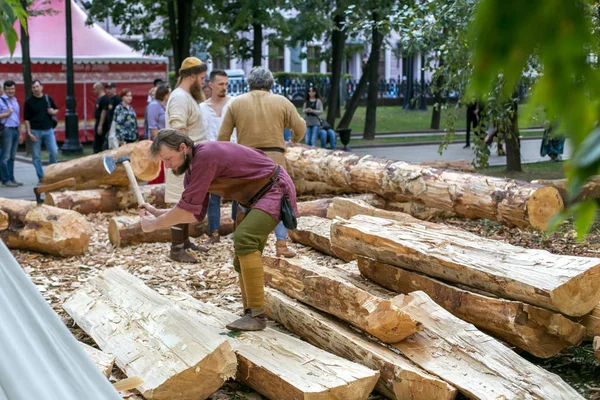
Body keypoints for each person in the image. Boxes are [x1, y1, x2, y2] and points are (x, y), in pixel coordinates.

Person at [140, 129, 298, 331]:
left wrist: (154, 224)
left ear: (183, 147)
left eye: (169, 159)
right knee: (242, 253)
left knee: (245, 237)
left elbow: (187, 210)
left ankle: (256, 316)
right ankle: (250, 312)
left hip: (274, 189)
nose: (168, 166)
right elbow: (193, 213)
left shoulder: (205, 156)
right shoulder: (193, 170)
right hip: (258, 197)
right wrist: (156, 212)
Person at [218, 66, 306, 258]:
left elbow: (223, 138)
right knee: (280, 201)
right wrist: (295, 140)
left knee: (244, 202)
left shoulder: (236, 103)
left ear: (249, 83)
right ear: (271, 83)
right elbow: (300, 126)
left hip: (246, 161)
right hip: (275, 161)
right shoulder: (282, 102)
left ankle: (244, 245)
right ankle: (281, 244)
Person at [164, 56, 208, 263]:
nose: (203, 82)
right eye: (201, 77)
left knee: (186, 202)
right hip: (182, 161)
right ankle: (176, 249)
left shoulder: (186, 96)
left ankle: (185, 241)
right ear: (192, 76)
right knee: (179, 203)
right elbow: (178, 129)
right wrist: (185, 158)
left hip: (189, 160)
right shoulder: (180, 98)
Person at [200, 69, 237, 245]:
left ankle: (238, 229)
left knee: (238, 194)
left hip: (234, 155)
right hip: (211, 157)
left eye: (226, 84)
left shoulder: (234, 104)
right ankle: (214, 232)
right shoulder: (202, 108)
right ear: (211, 85)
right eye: (221, 84)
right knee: (213, 196)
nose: (224, 87)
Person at [24, 80, 59, 182]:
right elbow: (26, 119)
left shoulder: (47, 98)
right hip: (35, 131)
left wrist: (53, 111)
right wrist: (29, 133)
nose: (36, 89)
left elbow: (56, 110)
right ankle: (41, 177)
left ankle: (51, 174)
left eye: (37, 87)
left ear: (42, 87)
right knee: (36, 156)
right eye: (34, 87)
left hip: (48, 130)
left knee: (54, 151)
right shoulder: (29, 102)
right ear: (31, 89)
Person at [0, 80, 24, 187]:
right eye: (8, 89)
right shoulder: (0, 100)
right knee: (5, 157)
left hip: (15, 130)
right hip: (6, 130)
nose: (11, 91)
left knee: (12, 157)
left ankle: (12, 178)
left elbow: (17, 118)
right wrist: (7, 114)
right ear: (4, 89)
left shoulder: (15, 101)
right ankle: (5, 179)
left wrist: (20, 133)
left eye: (13, 89)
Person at [146, 84, 171, 185]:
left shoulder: (164, 106)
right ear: (165, 95)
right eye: (169, 93)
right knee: (157, 169)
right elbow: (152, 126)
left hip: (165, 140)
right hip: (157, 141)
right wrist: (159, 142)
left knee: (163, 169)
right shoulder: (153, 105)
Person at [92, 82, 109, 153]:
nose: (93, 91)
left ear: (99, 89)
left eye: (94, 89)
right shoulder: (99, 99)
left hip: (102, 124)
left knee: (100, 143)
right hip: (98, 122)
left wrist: (100, 125)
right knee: (96, 142)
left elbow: (104, 112)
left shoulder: (104, 99)